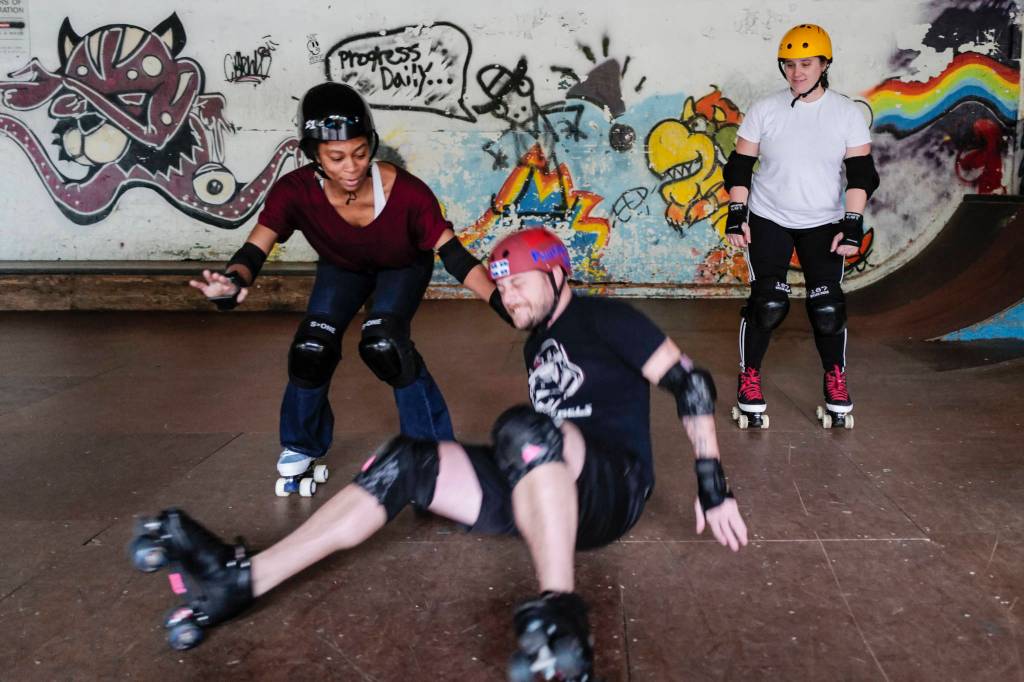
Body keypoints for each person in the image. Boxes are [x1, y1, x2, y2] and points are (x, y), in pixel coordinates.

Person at [133, 228, 749, 678]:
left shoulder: (606, 318)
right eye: (501, 289)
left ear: (558, 273)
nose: (508, 298)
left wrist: (711, 481)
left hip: (613, 486)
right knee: (408, 459)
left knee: (523, 429)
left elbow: (690, 383)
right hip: (551, 482)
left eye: (519, 284)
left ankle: (562, 614)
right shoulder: (537, 346)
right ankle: (240, 581)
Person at [188, 82, 510, 489]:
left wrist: (503, 302)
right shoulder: (294, 192)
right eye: (336, 157)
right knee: (311, 348)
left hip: (402, 267)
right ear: (313, 156)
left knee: (384, 344)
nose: (352, 167)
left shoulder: (409, 193)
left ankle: (434, 453)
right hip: (342, 269)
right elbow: (254, 250)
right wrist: (231, 285)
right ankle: (301, 445)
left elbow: (458, 259)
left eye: (360, 153)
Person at [723, 23, 880, 429]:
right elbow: (739, 166)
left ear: (824, 64)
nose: (797, 73)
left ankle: (835, 379)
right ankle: (750, 377)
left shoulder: (846, 114)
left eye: (806, 64)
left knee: (827, 307)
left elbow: (861, 174)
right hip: (769, 217)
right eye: (790, 65)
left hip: (824, 223)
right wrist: (738, 213)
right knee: (767, 302)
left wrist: (852, 223)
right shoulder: (765, 109)